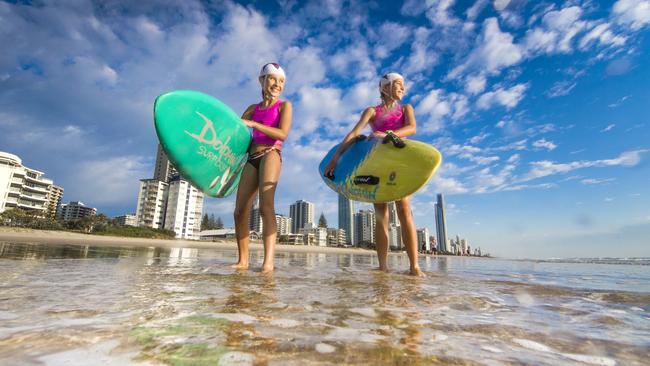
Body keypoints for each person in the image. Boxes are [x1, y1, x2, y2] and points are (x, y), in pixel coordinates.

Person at [323, 72, 424, 276]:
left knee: (404, 210)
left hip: (398, 163)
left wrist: (387, 134)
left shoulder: (406, 108)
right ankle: (383, 265)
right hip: (377, 164)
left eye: (403, 85)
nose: (403, 88)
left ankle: (414, 266)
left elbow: (412, 128)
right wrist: (335, 157)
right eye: (398, 84)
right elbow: (353, 133)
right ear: (385, 88)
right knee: (381, 216)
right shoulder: (372, 111)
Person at [231, 63, 292, 273]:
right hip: (251, 157)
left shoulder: (284, 106)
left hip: (271, 154)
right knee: (239, 212)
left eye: (281, 81)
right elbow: (235, 134)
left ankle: (268, 263)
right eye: (273, 79)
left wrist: (255, 125)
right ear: (262, 80)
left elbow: (283, 134)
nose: (277, 84)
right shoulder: (251, 109)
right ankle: (243, 261)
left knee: (266, 207)